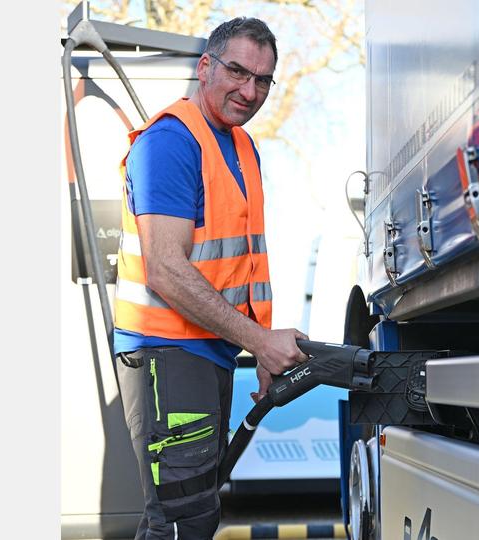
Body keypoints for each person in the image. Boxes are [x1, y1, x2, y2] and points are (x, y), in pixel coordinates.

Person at [112, 17, 307, 539]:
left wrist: (261, 349)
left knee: (189, 515)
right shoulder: (171, 142)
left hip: (208, 354)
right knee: (183, 521)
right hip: (167, 355)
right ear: (205, 67)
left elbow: (244, 265)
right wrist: (260, 342)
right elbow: (166, 269)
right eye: (238, 71)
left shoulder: (242, 148)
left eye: (262, 80)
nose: (249, 91)